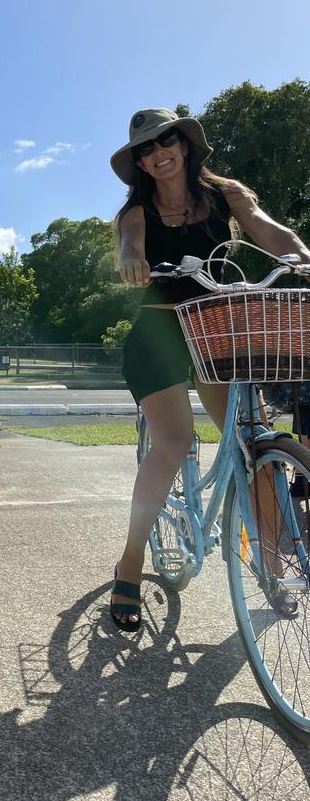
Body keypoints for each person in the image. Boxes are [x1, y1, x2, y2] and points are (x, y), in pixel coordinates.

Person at [109, 107, 310, 631]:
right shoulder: (137, 211)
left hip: (217, 327)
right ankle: (130, 562)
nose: (157, 155)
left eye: (165, 142)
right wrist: (132, 261)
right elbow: (131, 245)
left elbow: (271, 232)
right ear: (139, 163)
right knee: (174, 444)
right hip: (159, 331)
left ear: (186, 143)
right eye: (146, 151)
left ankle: (276, 563)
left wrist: (301, 254)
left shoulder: (227, 195)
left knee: (253, 440)